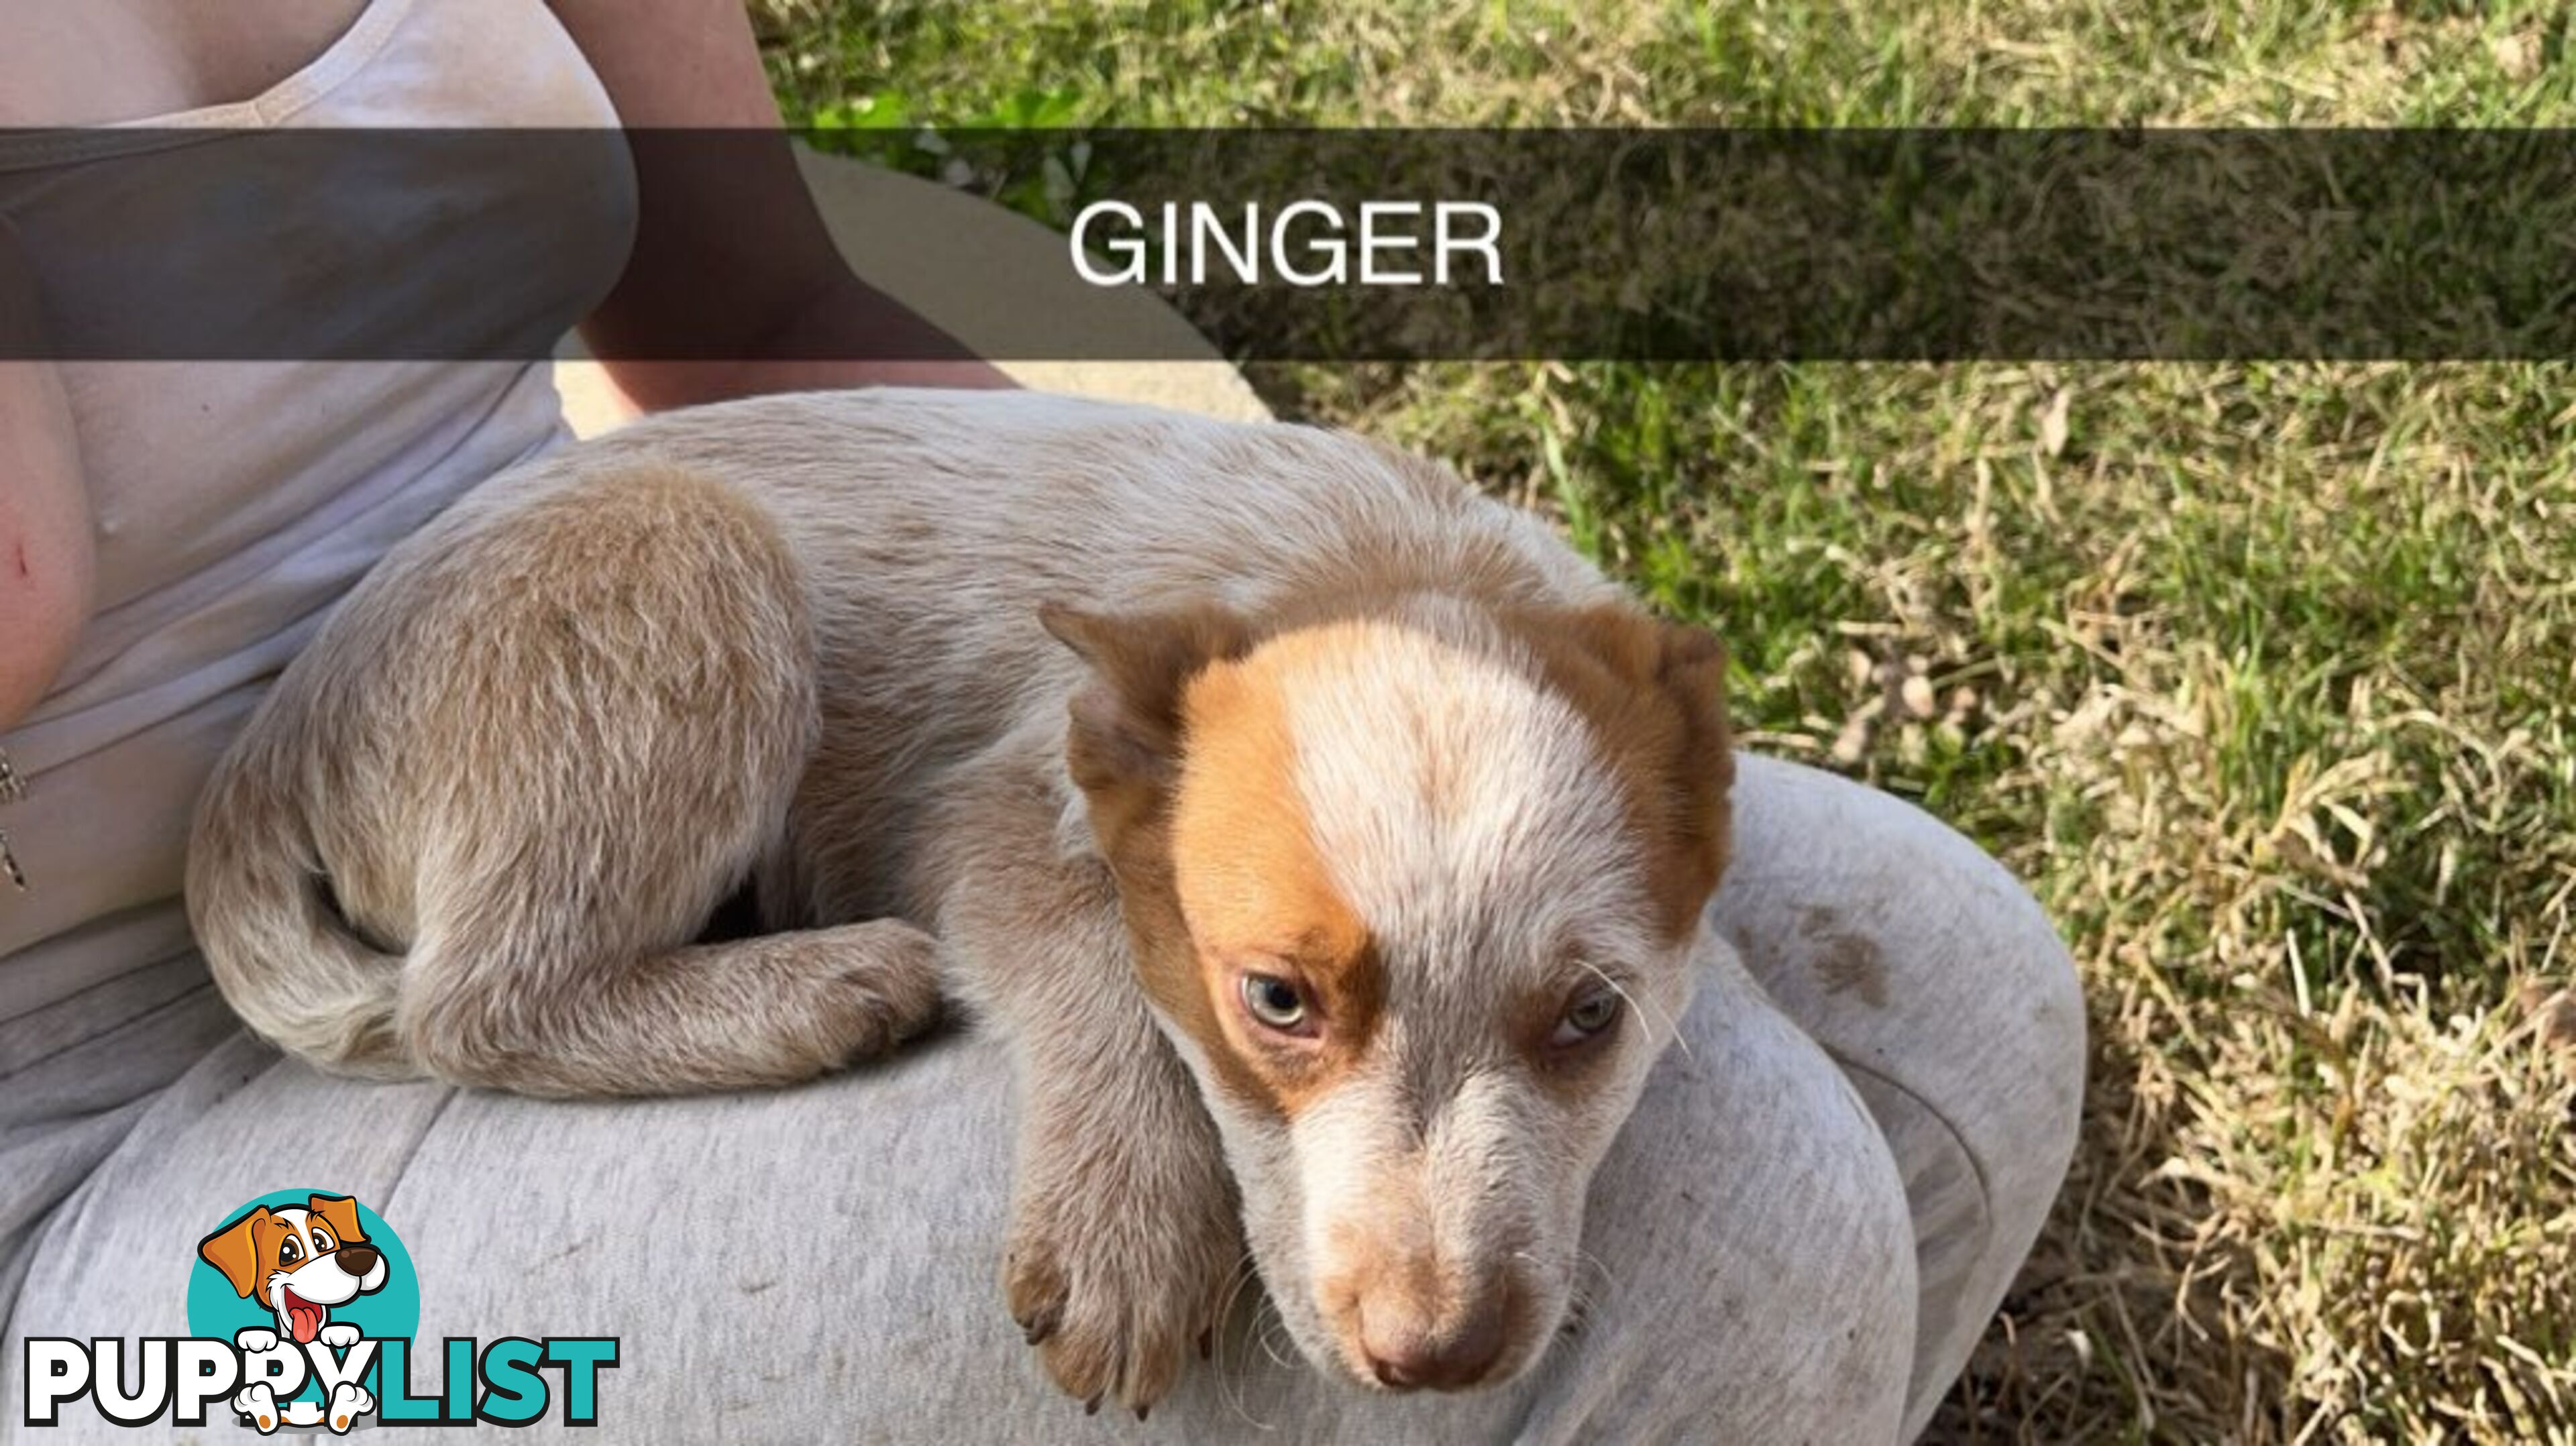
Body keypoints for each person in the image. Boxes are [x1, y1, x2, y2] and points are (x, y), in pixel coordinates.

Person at [0, 1, 2084, 1439]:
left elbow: (772, 321)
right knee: (1729, 1226)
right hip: (120, 1216)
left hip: (593, 758)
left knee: (1948, 1004)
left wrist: (1255, 692)